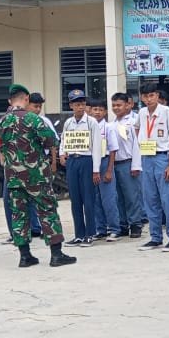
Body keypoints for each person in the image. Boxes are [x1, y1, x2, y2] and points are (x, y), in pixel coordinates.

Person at [0, 84, 77, 268]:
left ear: (10, 100)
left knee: (19, 215)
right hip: (36, 175)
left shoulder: (0, 122)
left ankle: (25, 256)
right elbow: (51, 141)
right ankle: (56, 254)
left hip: (13, 177)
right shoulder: (33, 119)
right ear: (26, 99)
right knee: (47, 210)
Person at [133, 84, 169, 251]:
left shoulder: (166, 111)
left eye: (152, 95)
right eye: (145, 96)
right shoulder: (141, 113)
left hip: (163, 157)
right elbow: (137, 129)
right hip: (146, 157)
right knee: (150, 199)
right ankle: (155, 237)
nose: (149, 99)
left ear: (157, 95)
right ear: (141, 97)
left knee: (168, 199)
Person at [59, 90, 98, 247]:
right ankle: (79, 235)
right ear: (71, 105)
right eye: (77, 104)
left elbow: (96, 147)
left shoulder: (91, 122)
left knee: (88, 199)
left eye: (82, 103)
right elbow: (63, 140)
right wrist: (62, 153)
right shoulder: (68, 123)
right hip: (73, 161)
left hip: (87, 160)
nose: (80, 107)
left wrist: (96, 169)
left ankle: (90, 233)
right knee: (75, 200)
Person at [86, 99, 123, 241]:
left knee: (108, 199)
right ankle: (100, 229)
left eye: (100, 110)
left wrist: (109, 170)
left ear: (105, 112)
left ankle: (115, 229)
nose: (97, 112)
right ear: (90, 111)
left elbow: (113, 149)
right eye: (95, 109)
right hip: (91, 163)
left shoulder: (108, 128)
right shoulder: (87, 126)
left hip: (105, 162)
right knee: (95, 198)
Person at [110, 93, 146, 238]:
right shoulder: (112, 124)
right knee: (118, 197)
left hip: (128, 162)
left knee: (132, 196)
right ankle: (123, 224)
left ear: (127, 105)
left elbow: (137, 145)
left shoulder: (133, 122)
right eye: (113, 105)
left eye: (119, 105)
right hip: (115, 164)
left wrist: (136, 165)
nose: (116, 108)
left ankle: (136, 224)